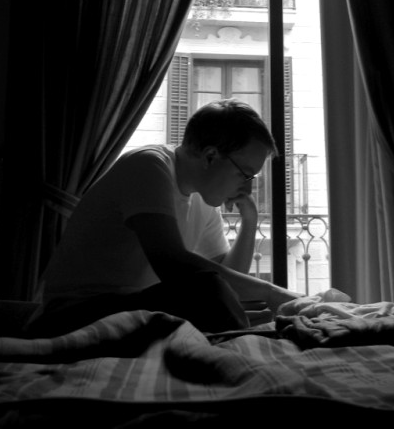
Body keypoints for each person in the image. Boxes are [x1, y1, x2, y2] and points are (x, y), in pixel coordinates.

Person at [27, 99, 303, 337]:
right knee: (207, 289)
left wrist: (250, 222)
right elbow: (172, 263)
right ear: (210, 156)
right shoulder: (147, 165)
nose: (248, 189)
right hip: (71, 316)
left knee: (220, 294)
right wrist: (271, 292)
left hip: (129, 311)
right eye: (245, 175)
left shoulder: (202, 198)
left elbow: (228, 282)